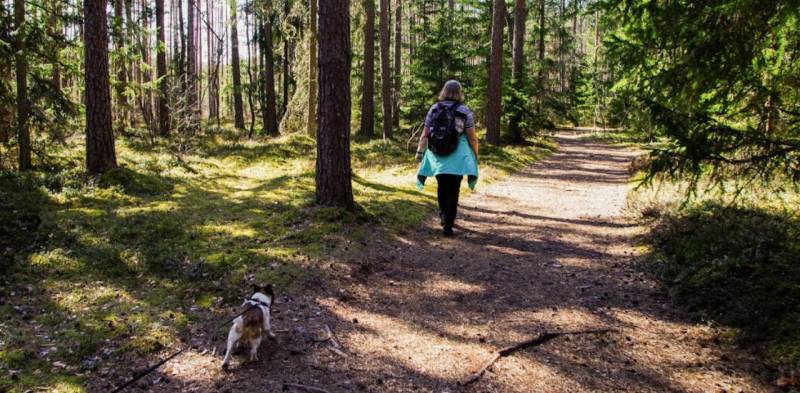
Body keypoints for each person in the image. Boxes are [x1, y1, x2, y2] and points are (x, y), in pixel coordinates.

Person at [415, 80, 479, 236]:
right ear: (459, 92)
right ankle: (448, 224)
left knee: (442, 186)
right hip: (458, 157)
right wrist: (475, 155)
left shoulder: (434, 109)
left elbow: (426, 133)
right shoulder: (464, 111)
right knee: (454, 189)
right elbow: (472, 138)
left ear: (444, 91)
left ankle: (443, 216)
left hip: (437, 155)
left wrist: (419, 151)